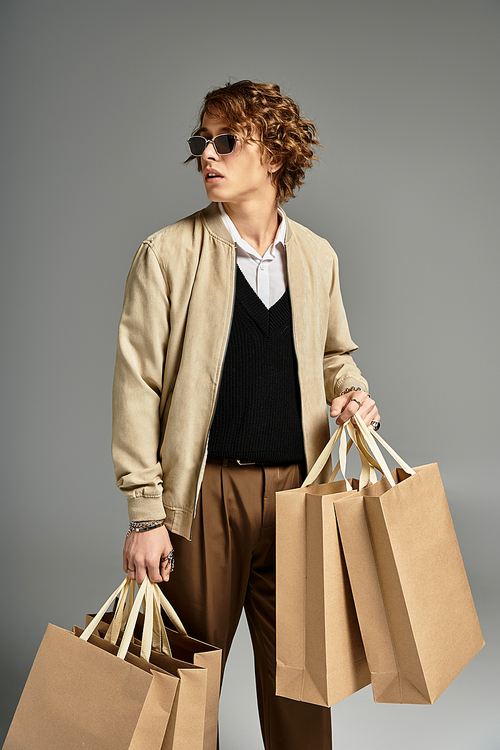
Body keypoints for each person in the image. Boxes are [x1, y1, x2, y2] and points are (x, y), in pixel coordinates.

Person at [113, 80, 380, 750]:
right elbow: (137, 385)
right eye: (201, 141)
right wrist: (147, 513)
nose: (208, 153)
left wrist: (353, 395)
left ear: (274, 154)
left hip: (298, 494)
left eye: (226, 140)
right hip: (206, 496)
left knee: (302, 682)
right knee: (186, 678)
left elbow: (334, 357)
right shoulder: (167, 254)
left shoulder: (317, 256)